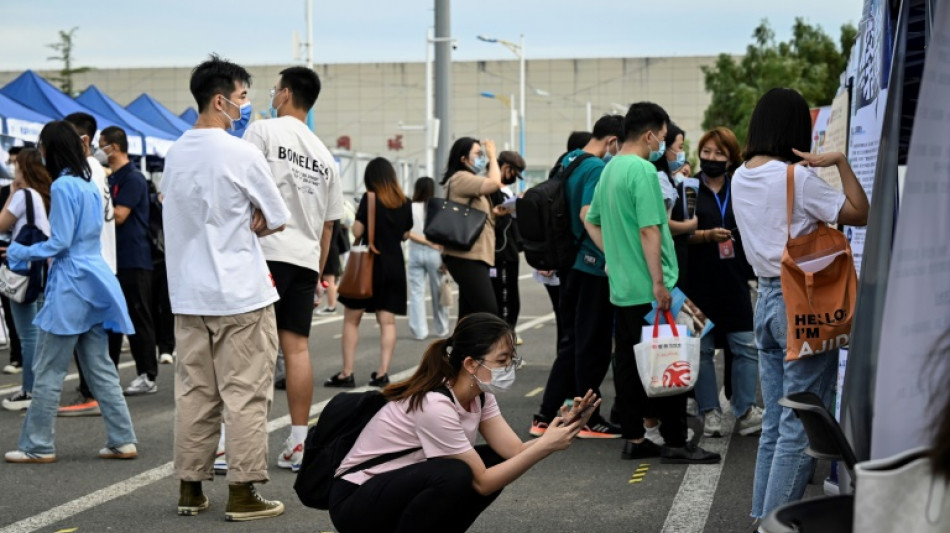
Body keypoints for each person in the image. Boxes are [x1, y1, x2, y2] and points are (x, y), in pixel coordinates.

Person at [328, 312, 600, 533]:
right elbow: (481, 483)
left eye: (510, 360)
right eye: (501, 360)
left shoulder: (480, 394)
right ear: (470, 364)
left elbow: (514, 452)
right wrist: (544, 447)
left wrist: (567, 426)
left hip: (394, 489)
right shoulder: (435, 404)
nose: (508, 368)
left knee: (494, 460)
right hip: (356, 501)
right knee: (456, 475)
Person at [161, 55, 290, 521]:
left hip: (189, 295)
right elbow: (276, 215)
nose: (246, 106)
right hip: (241, 295)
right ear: (220, 101)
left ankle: (190, 488)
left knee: (195, 393)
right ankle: (242, 490)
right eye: (241, 98)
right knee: (246, 395)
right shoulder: (241, 153)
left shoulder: (174, 153)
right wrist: (251, 217)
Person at [731, 88, 868, 520]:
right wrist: (841, 162)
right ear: (795, 129)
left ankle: (762, 517)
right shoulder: (796, 178)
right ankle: (777, 524)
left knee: (775, 421)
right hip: (803, 306)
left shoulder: (740, 176)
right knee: (797, 425)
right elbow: (859, 212)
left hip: (766, 300)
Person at [585, 102, 720, 464]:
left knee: (629, 365)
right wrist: (659, 283)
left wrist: (613, 255)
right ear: (649, 135)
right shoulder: (642, 171)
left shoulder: (609, 170)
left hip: (624, 288)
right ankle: (676, 441)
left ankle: (635, 438)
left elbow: (590, 220)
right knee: (668, 359)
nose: (663, 144)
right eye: (662, 137)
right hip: (650, 287)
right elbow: (649, 229)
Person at [3, 120, 137, 464]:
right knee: (101, 367)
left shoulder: (63, 185)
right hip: (94, 277)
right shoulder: (90, 182)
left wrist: (18, 252)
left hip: (70, 283)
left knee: (49, 369)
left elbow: (60, 243)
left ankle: (38, 445)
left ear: (51, 148)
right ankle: (122, 439)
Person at [242, 66, 344, 472]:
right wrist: (317, 274)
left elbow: (243, 189)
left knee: (250, 350)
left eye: (273, 90)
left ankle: (233, 445)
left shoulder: (264, 132)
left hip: (264, 253)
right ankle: (299, 443)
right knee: (296, 349)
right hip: (303, 260)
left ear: (284, 94)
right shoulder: (325, 156)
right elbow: (328, 227)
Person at [532, 115, 625, 440]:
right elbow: (588, 214)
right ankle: (588, 418)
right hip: (591, 265)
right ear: (613, 141)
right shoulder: (596, 168)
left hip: (569, 263)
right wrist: (611, 256)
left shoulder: (568, 160)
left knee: (572, 343)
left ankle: (545, 415)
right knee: (592, 345)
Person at [685, 127, 763, 439]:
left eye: (719, 153)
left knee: (745, 346)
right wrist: (706, 236)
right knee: (702, 350)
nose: (711, 158)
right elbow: (676, 234)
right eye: (706, 152)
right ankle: (709, 413)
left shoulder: (741, 187)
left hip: (734, 280)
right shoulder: (687, 189)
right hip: (697, 281)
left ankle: (744, 410)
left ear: (731, 158)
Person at [326, 157, 412, 389]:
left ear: (371, 178)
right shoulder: (405, 201)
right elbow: (405, 234)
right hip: (394, 265)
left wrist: (358, 220)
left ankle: (347, 373)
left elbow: (358, 230)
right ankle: (383, 373)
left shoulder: (369, 199)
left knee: (352, 320)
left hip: (369, 265)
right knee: (388, 322)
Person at [58, 112, 118, 417]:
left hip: (90, 263)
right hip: (100, 261)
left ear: (82, 140)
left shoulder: (84, 171)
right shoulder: (96, 168)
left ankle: (91, 394)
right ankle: (96, 396)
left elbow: (76, 224)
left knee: (85, 342)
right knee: (94, 343)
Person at [98, 126, 158, 396]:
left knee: (137, 315)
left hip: (134, 258)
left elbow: (119, 216)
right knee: (112, 318)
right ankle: (106, 373)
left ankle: (147, 374)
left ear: (116, 146)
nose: (101, 150)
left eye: (103, 144)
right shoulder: (110, 177)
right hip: (113, 259)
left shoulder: (132, 178)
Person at [0, 148, 51, 411]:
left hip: (22, 269)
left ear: (23, 168)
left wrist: (9, 196)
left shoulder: (22, 196)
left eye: (15, 165)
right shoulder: (39, 195)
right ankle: (36, 388)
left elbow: (1, 224)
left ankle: (29, 391)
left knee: (28, 334)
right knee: (37, 332)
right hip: (40, 267)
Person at [440, 138, 505, 320]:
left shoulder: (465, 180)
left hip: (471, 254)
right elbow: (494, 183)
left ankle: (461, 348)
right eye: (478, 154)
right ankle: (483, 347)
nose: (481, 158)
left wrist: (494, 213)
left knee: (469, 314)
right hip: (467, 256)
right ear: (463, 159)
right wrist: (493, 157)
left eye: (483, 154)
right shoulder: (461, 178)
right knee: (488, 311)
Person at [407, 176, 449, 340]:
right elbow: (445, 234)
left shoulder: (410, 207)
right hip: (435, 253)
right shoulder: (438, 207)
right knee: (438, 291)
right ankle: (441, 328)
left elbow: (406, 232)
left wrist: (423, 241)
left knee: (416, 293)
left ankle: (419, 331)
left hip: (415, 252)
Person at [489, 151, 525, 343]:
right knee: (503, 300)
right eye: (513, 173)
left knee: (511, 298)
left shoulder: (506, 192)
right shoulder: (491, 189)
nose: (513, 178)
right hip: (500, 253)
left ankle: (507, 337)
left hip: (509, 251)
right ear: (505, 168)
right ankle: (502, 341)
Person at [1, 146, 24, 376]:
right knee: (11, 310)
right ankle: (17, 356)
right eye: (12, 162)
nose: (14, 167)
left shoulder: (35, 194)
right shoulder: (5, 192)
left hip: (29, 261)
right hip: (7, 262)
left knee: (29, 312)